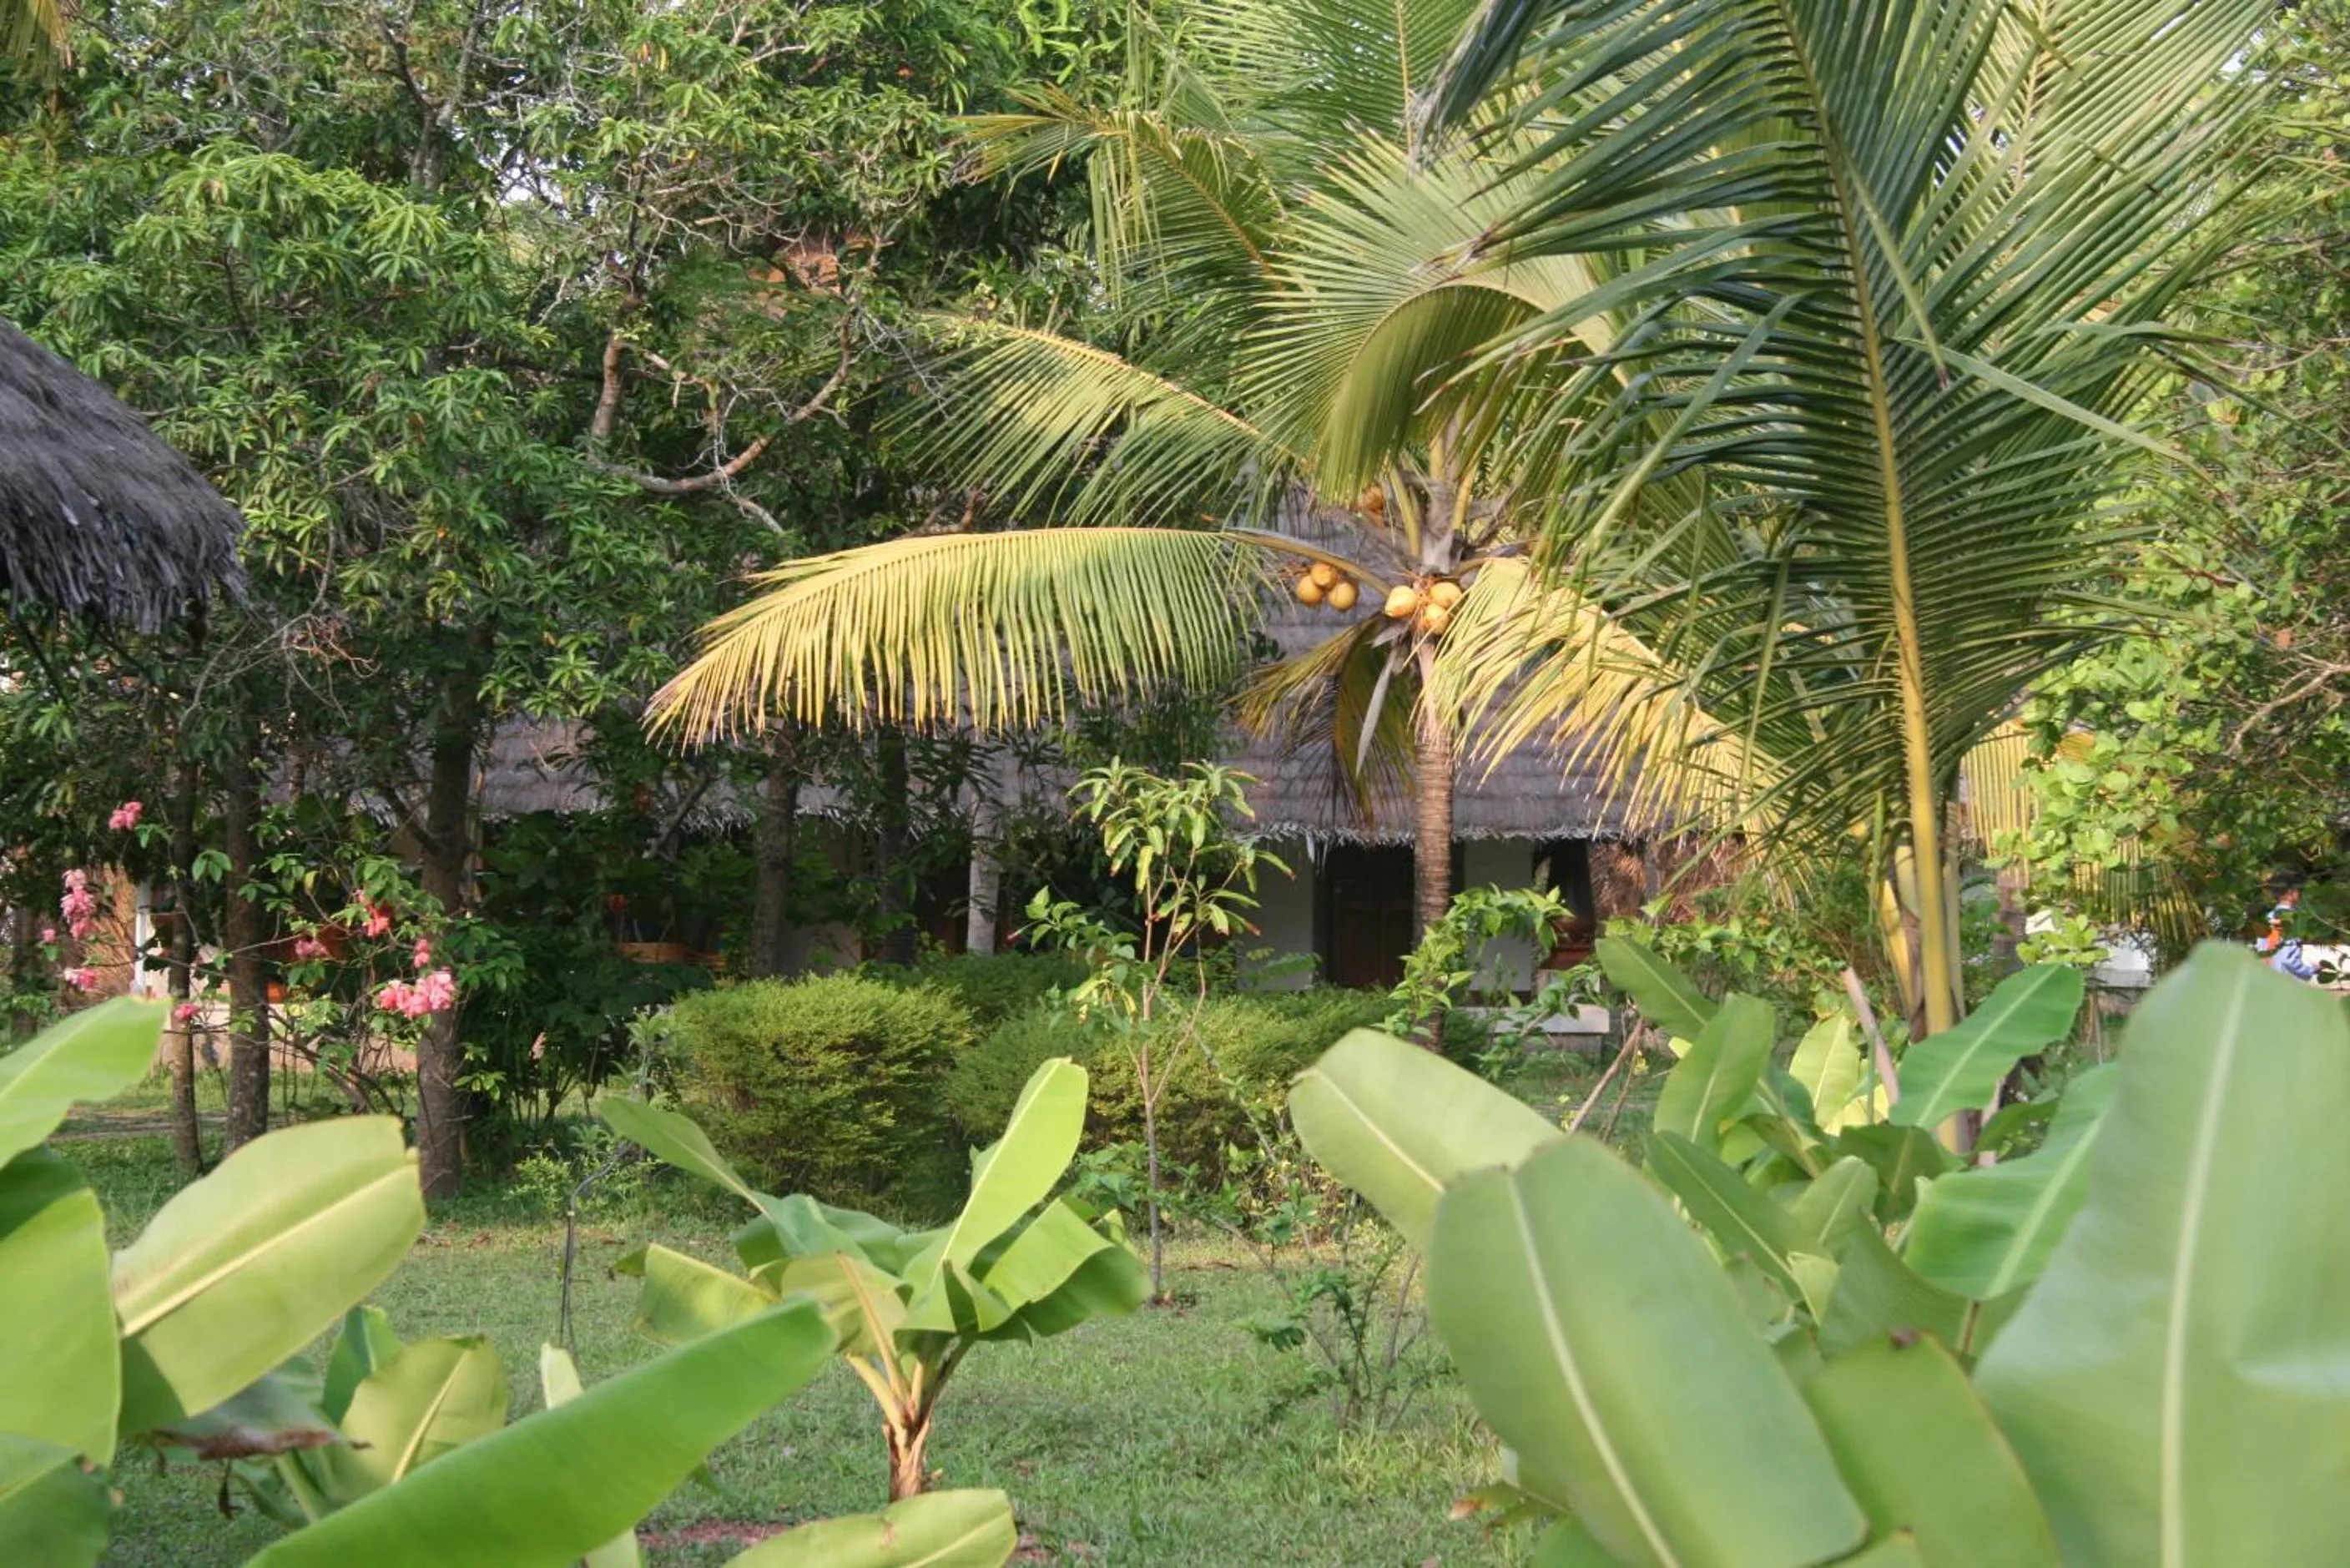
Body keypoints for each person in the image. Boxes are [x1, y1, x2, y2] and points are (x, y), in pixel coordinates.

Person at [2259, 885, 2319, 981]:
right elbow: (2288, 959)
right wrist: (2312, 969)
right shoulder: (2294, 920)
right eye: (2300, 890)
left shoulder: (2266, 917)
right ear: (2291, 892)